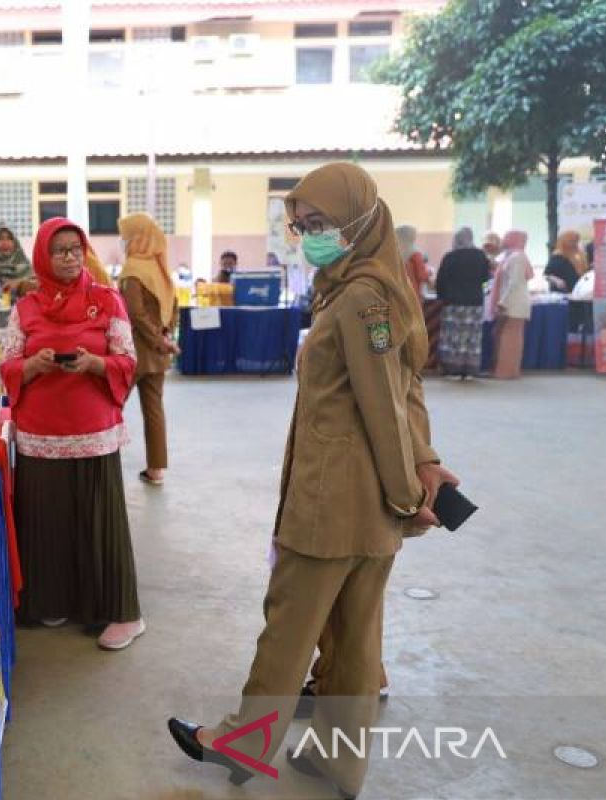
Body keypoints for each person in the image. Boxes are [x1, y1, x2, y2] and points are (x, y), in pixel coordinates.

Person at [168, 163, 457, 800]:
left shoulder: (361, 298)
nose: (308, 237)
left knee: (291, 626)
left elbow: (385, 405)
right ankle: (338, 762)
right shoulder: (369, 286)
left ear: (360, 219)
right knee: (354, 640)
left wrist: (410, 495)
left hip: (335, 498)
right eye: (301, 227)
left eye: (320, 224)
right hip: (367, 505)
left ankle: (245, 744)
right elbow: (406, 391)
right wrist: (424, 461)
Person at [0, 216, 144, 651]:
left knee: (100, 524)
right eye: (59, 250)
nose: (69, 257)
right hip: (40, 435)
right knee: (48, 523)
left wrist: (96, 364)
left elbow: (128, 360)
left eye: (75, 249)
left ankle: (123, 612)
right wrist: (33, 365)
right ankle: (55, 599)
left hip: (92, 431)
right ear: (43, 255)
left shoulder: (108, 300)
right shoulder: (25, 307)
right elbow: (7, 364)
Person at [117, 212, 179, 487]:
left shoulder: (134, 269)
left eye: (127, 236)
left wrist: (157, 340)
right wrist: (165, 338)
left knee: (112, 404)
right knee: (154, 410)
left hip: (136, 352)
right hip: (158, 353)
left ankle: (103, 458)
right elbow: (172, 308)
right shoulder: (160, 267)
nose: (124, 241)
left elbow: (135, 313)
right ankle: (156, 469)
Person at [435, 227, 492, 378]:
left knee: (453, 335)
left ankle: (452, 369)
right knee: (471, 336)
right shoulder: (481, 256)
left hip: (453, 303)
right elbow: (486, 279)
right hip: (475, 302)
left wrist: (442, 295)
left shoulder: (450, 257)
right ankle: (470, 370)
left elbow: (440, 281)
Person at [489, 230, 533, 380]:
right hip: (514, 301)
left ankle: (505, 371)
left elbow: (514, 282)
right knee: (510, 336)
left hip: (513, 302)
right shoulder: (512, 256)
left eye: (507, 237)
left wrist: (502, 302)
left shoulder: (517, 257)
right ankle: (508, 370)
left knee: (508, 337)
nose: (504, 239)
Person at [0, 222, 35, 302]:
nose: (5, 243)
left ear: (15, 242)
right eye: (0, 238)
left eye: (10, 238)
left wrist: (20, 283)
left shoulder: (27, 267)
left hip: (25, 312)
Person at [397, 224, 430, 297]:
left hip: (397, 292)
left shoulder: (394, 252)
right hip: (412, 292)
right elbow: (422, 275)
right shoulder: (415, 253)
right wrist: (429, 272)